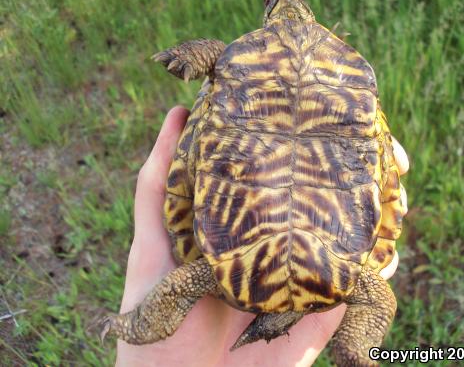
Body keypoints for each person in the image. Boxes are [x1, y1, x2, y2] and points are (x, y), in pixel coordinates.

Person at [115, 106, 409, 367]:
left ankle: (146, 325)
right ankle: (355, 352)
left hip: (233, 254)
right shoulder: (349, 79)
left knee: (194, 278)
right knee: (376, 299)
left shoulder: (239, 63)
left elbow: (224, 67)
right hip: (330, 264)